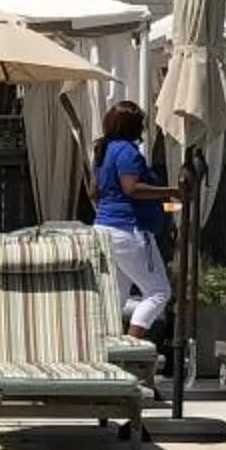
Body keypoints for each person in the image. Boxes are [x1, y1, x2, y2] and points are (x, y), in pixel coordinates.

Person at [92, 101, 180, 336]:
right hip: (129, 229)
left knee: (117, 295)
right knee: (158, 292)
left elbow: (93, 192)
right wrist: (170, 192)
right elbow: (132, 188)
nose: (143, 128)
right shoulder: (127, 152)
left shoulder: (103, 151)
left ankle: (107, 347)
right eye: (141, 123)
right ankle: (133, 347)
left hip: (104, 228)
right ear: (131, 126)